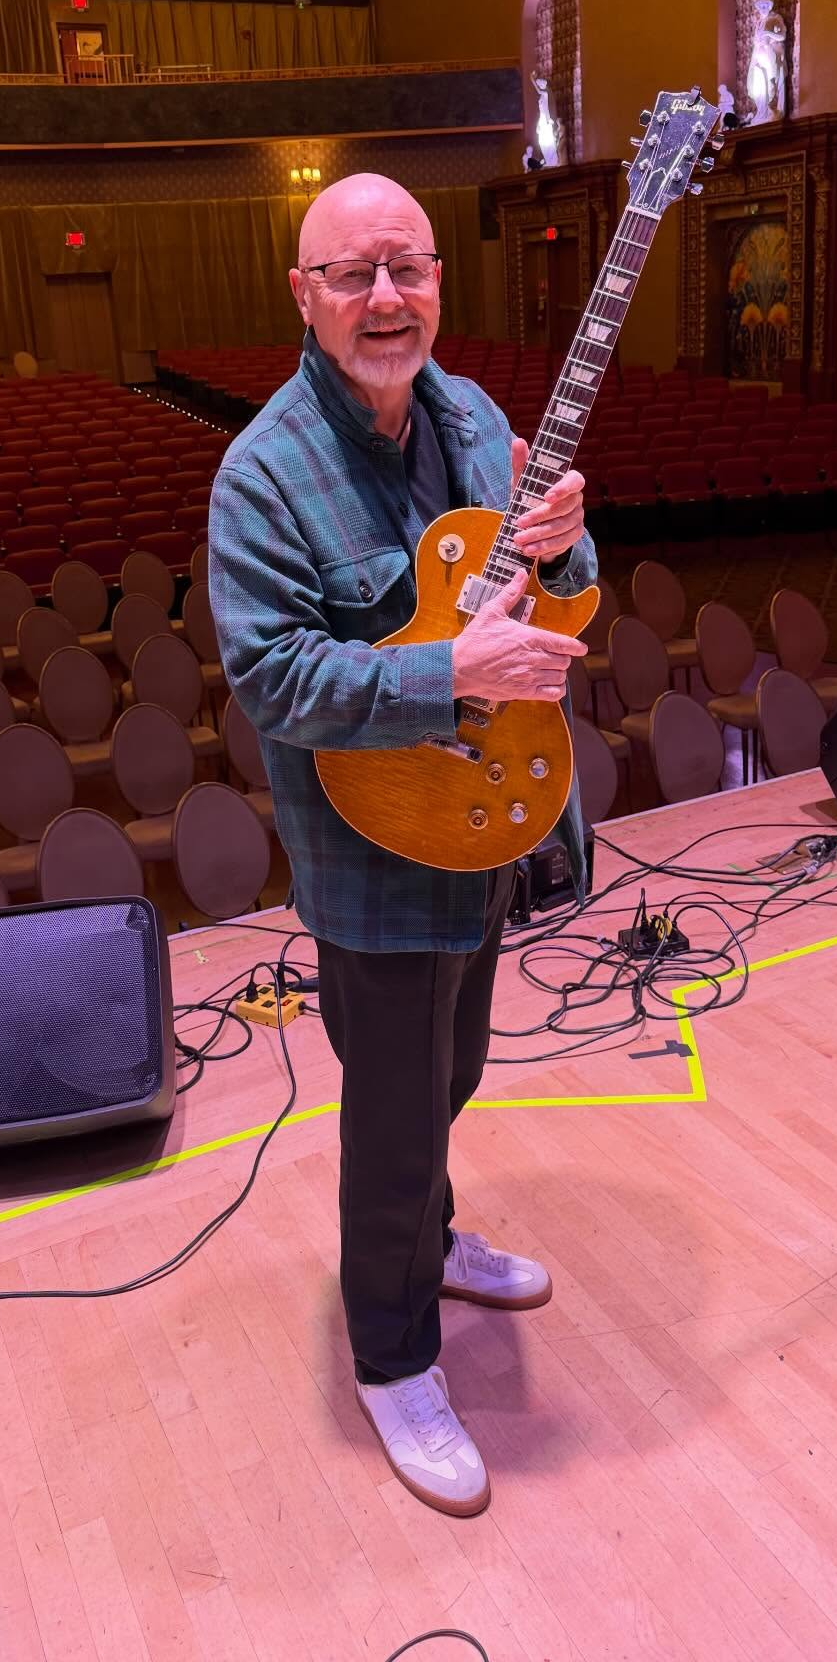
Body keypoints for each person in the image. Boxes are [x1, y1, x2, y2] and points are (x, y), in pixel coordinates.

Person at [208, 173, 597, 1517]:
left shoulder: (481, 419)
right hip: (370, 846)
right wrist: (446, 677)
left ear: (439, 280)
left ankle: (430, 1239)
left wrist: (560, 546)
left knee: (457, 1072)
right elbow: (272, 680)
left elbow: (564, 592)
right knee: (388, 1118)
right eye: (354, 275)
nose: (386, 299)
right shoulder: (263, 474)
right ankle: (393, 1356)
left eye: (408, 270)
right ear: (306, 299)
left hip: (483, 826)